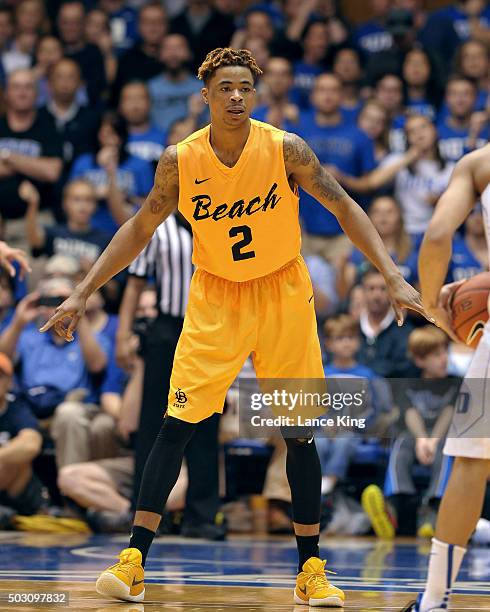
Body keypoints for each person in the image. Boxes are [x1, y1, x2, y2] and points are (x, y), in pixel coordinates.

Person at [39, 47, 425, 606]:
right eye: (226, 88)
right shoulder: (180, 159)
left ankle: (310, 569)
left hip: (283, 292)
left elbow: (344, 207)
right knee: (177, 424)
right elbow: (139, 228)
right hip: (215, 297)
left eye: (246, 87)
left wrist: (391, 275)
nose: (237, 96)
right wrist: (81, 292)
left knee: (299, 432)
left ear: (256, 92)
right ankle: (132, 561)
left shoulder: (285, 147)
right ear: (206, 96)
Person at [412, 143, 490, 612]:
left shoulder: (479, 162)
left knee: (470, 462)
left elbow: (438, 234)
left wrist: (434, 311)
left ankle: (436, 599)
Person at [118, 213, 224, 540]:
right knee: (154, 424)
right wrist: (123, 336)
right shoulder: (158, 228)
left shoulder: (218, 221)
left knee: (207, 422)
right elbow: (136, 282)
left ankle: (202, 516)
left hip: (210, 328)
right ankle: (149, 516)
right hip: (166, 331)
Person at [362, 326, 458, 540]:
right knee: (401, 443)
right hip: (416, 435)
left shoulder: (455, 382)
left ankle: (433, 512)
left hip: (440, 437)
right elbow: (410, 413)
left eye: (445, 352)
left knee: (446, 448)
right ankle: (392, 509)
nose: (444, 359)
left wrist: (432, 442)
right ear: (419, 360)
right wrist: (422, 439)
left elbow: (448, 414)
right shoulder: (408, 382)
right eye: (436, 355)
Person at [296, 73, 376, 265]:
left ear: (341, 96)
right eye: (322, 90)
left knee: (344, 289)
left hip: (346, 232)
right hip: (303, 230)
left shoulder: (358, 135)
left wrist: (342, 178)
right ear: (313, 96)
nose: (328, 95)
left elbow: (369, 183)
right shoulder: (297, 130)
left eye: (333, 90)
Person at [0, 69, 62, 227]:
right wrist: (32, 166)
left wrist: (8, 157)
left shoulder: (49, 126)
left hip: (36, 219)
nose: (22, 92)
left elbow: (51, 172)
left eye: (28, 87)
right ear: (6, 93)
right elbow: (42, 169)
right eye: (16, 87)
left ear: (36, 93)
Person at [0, 352, 44, 524]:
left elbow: (31, 444)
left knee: (18, 459)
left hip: (14, 489)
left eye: (0, 376)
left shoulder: (16, 407)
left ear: (9, 382)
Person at [25, 179, 111, 266]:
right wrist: (33, 204)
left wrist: (91, 271)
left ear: (95, 205)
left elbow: (115, 279)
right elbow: (34, 240)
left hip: (88, 278)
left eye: (88, 200)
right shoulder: (54, 233)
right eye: (76, 199)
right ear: (65, 203)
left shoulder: (104, 240)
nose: (83, 206)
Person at [358, 266, 416, 378]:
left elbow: (404, 372)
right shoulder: (352, 328)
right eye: (371, 288)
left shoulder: (405, 333)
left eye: (383, 289)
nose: (377, 295)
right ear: (363, 291)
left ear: (392, 293)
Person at [110, 2, 166, 105]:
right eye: (147, 23)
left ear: (167, 26)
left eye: (158, 22)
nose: (153, 28)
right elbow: (116, 99)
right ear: (138, 26)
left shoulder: (175, 60)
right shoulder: (126, 60)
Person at [147, 35, 202, 133]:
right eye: (167, 49)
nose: (173, 54)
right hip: (157, 145)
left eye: (178, 48)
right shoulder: (150, 88)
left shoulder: (202, 88)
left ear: (189, 53)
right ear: (159, 54)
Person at [437, 76, 489, 163]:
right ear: (446, 99)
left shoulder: (488, 132)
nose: (460, 100)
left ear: (476, 98)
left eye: (466, 94)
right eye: (454, 94)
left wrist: (474, 132)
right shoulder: (435, 133)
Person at [118, 81, 166, 168]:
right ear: (120, 105)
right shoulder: (114, 140)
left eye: (141, 98)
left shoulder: (166, 138)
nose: (135, 105)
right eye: (129, 99)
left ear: (150, 103)